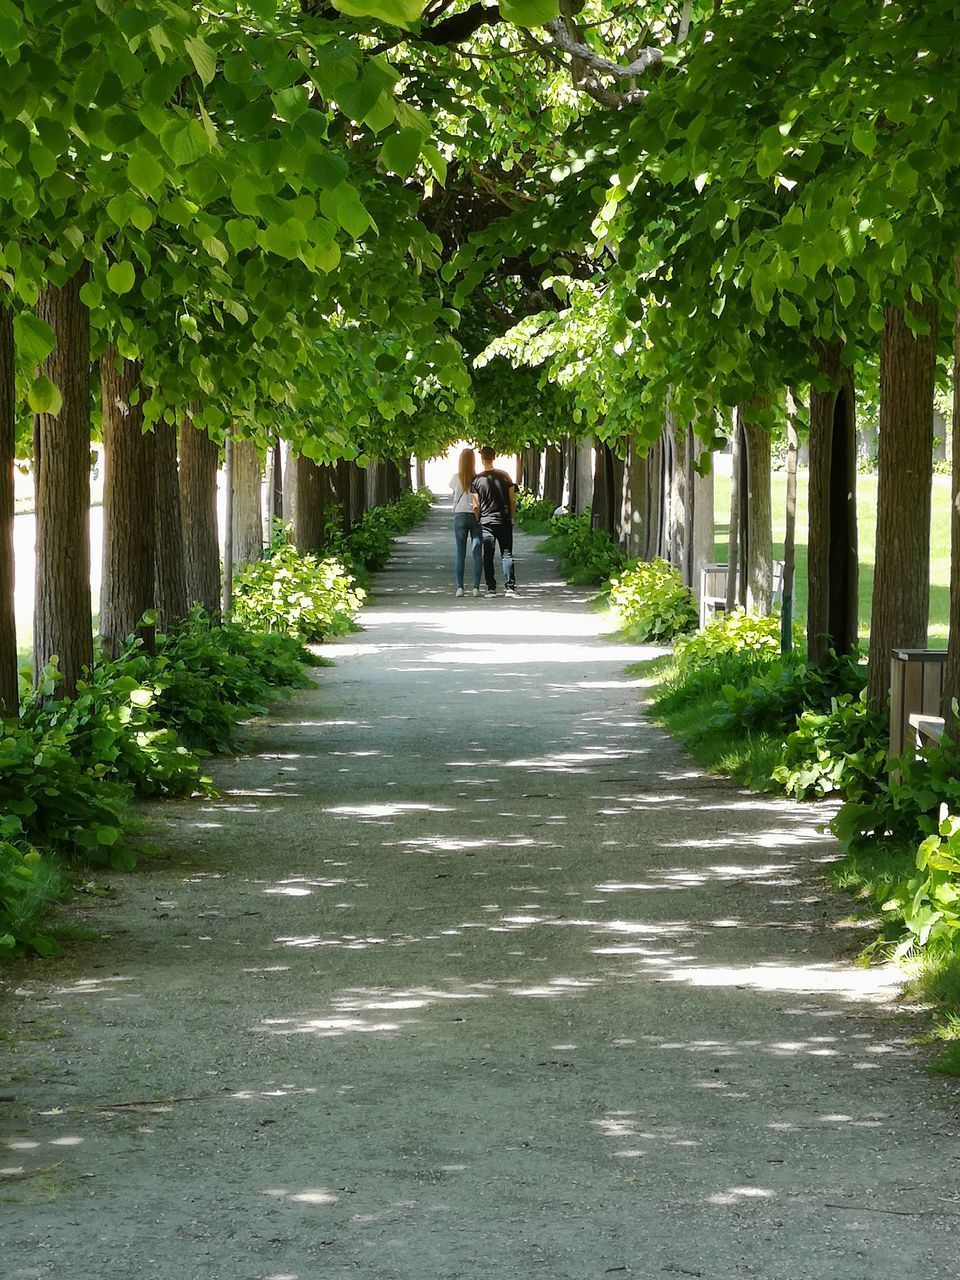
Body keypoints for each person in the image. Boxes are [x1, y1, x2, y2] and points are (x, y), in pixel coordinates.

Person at [470, 445, 517, 597]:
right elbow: (512, 499)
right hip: (504, 520)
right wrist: (512, 516)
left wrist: (479, 519)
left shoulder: (477, 481)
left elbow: (475, 505)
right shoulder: (505, 477)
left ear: (482, 460)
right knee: (507, 554)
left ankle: (491, 588)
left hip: (486, 523)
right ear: (494, 457)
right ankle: (509, 588)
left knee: (488, 555)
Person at [450, 447, 482, 597]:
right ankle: (476, 587)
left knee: (460, 553)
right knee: (477, 553)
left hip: (460, 515)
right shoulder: (478, 479)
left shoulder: (456, 478)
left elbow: (454, 494)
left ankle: (460, 588)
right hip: (475, 515)